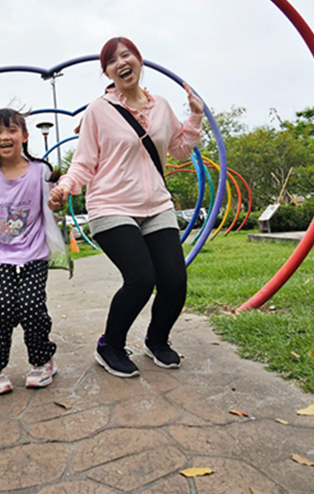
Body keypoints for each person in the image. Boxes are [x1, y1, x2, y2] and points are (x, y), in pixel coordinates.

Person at [48, 36, 204, 378]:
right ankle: (110, 346)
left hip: (156, 204)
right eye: (112, 60)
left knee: (175, 281)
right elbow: (84, 163)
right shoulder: (98, 111)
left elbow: (178, 150)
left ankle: (156, 341)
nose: (122, 62)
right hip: (110, 205)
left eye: (127, 54)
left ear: (139, 60)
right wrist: (64, 188)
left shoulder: (161, 105)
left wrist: (194, 116)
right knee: (141, 278)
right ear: (107, 71)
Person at [0, 107, 71, 395]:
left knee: (33, 308)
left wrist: (58, 203)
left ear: (25, 136)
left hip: (34, 254)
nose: (5, 136)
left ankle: (43, 361)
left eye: (11, 130)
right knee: (3, 309)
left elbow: (54, 211)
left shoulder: (41, 172)